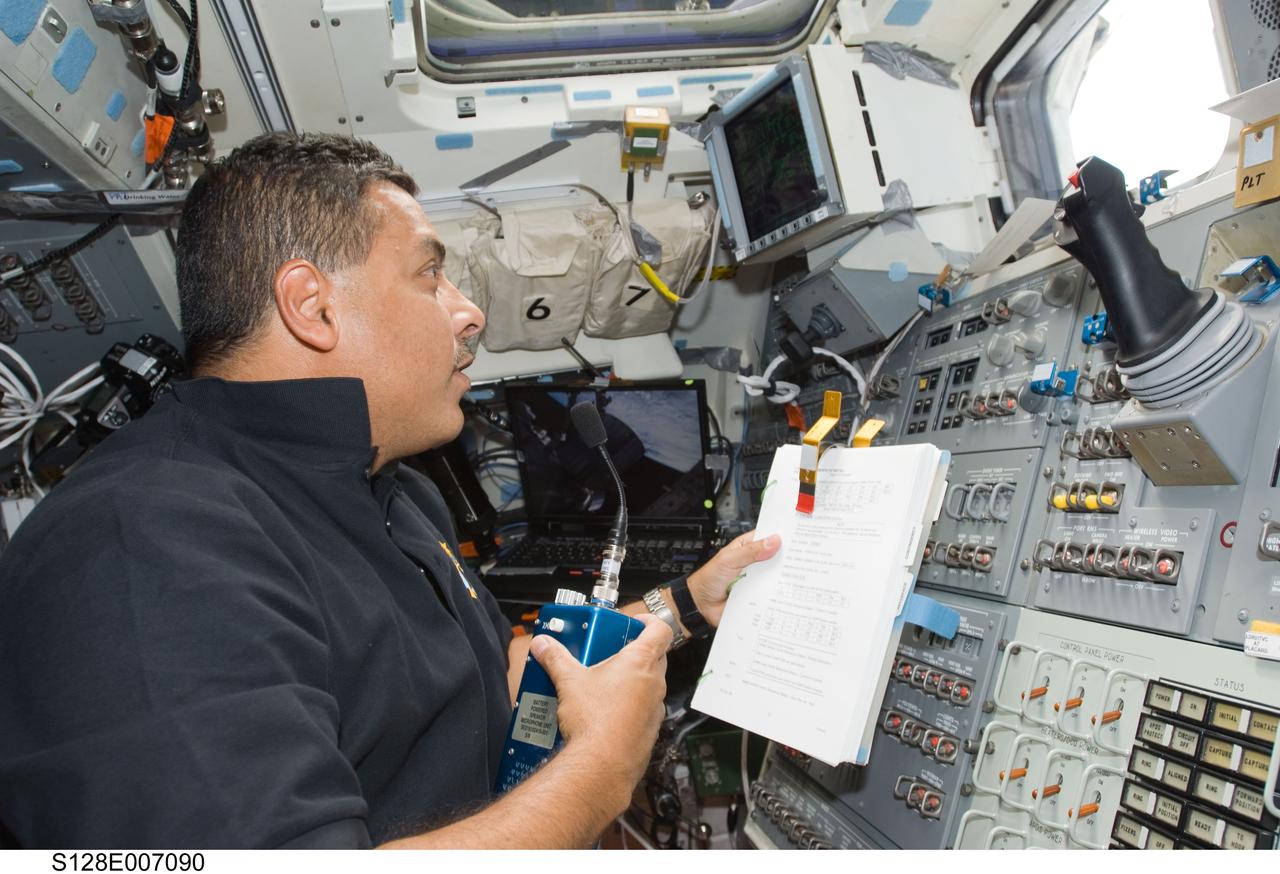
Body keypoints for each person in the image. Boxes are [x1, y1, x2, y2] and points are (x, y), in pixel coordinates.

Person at [0, 132, 781, 849]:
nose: (470, 314)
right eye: (430, 274)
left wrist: (681, 609)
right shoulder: (139, 542)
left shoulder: (393, 489)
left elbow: (496, 677)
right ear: (312, 305)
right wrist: (603, 768)